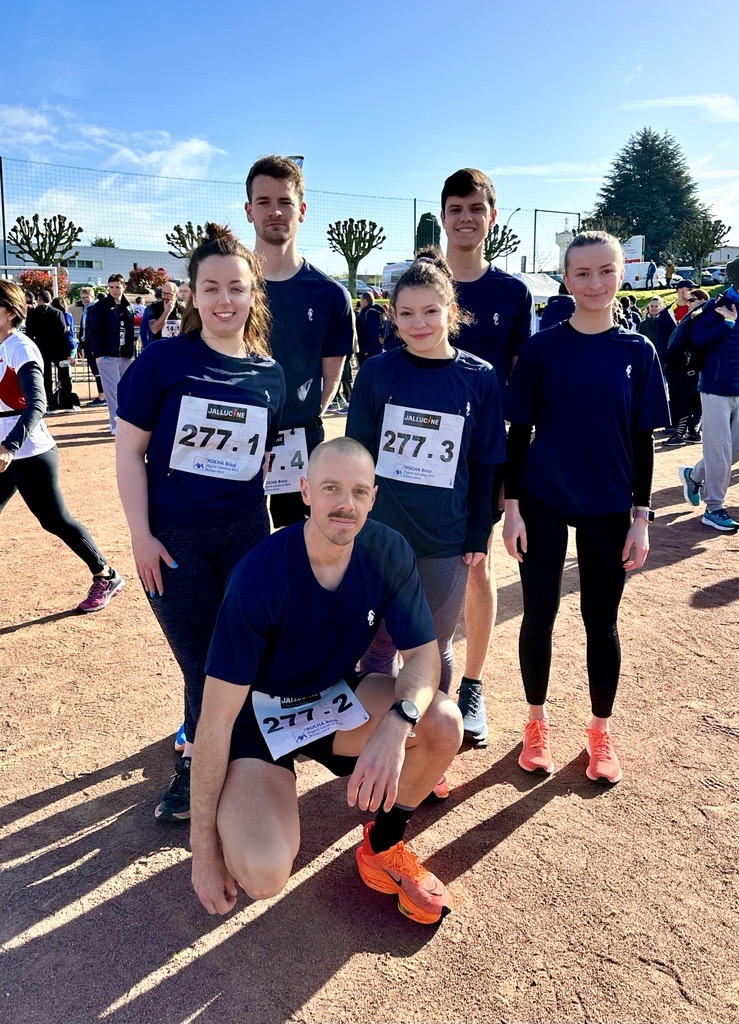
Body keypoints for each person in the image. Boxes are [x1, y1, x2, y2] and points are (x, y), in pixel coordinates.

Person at [190, 437, 463, 925]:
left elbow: (423, 657)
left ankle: (383, 845)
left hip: (334, 702)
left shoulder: (386, 550)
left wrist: (397, 725)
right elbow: (214, 720)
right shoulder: (259, 576)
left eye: (359, 492)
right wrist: (203, 850)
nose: (346, 504)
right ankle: (245, 801)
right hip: (259, 722)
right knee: (266, 874)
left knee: (441, 719)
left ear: (373, 497)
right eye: (331, 488)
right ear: (305, 491)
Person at [115, 223, 285, 822]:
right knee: (204, 661)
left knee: (237, 653)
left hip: (244, 533)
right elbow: (128, 452)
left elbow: (268, 457)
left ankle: (224, 756)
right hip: (174, 539)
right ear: (191, 294)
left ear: (251, 294)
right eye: (210, 287)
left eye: (236, 288)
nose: (223, 300)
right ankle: (195, 768)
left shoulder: (269, 375)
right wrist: (140, 535)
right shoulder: (162, 361)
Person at [502, 231, 669, 784]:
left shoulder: (637, 351)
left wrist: (641, 518)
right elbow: (518, 432)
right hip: (544, 500)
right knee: (540, 614)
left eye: (605, 271)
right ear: (565, 278)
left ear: (622, 274)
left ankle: (599, 733)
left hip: (608, 506)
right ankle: (535, 722)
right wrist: (514, 507)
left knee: (602, 620)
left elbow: (642, 440)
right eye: (582, 273)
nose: (594, 284)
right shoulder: (543, 349)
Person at [346, 248, 504, 796]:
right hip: (379, 540)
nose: (419, 324)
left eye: (430, 311)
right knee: (375, 649)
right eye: (406, 313)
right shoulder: (376, 373)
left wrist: (477, 534)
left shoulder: (478, 378)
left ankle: (432, 749)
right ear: (392, 316)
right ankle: (375, 741)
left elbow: (486, 462)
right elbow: (357, 455)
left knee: (433, 650)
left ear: (451, 309)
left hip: (444, 540)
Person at [439, 167, 535, 745]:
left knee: (477, 566)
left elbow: (521, 391)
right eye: (456, 207)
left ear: (491, 216)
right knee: (410, 563)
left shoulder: (512, 294)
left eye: (476, 207)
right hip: (416, 453)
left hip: (482, 456)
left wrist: (511, 471)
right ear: (443, 215)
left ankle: (471, 684)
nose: (466, 217)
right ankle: (417, 682)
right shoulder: (421, 281)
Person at [0, 279, 124, 612]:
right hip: (6, 450)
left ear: (10, 312)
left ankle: (105, 573)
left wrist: (9, 446)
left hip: (29, 452)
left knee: (54, 520)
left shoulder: (20, 348)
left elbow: (37, 404)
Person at [244, 154, 353, 527]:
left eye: (285, 202)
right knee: (239, 553)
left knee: (300, 547)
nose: (275, 211)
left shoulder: (330, 295)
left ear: (302, 210)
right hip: (234, 436)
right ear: (249, 210)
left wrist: (296, 421)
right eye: (264, 202)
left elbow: (329, 380)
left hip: (299, 442)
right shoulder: (228, 290)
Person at [678, 257, 739, 533]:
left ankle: (694, 475)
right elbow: (696, 341)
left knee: (738, 448)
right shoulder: (714, 307)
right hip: (714, 390)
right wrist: (724, 324)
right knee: (719, 450)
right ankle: (714, 508)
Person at [86, 274, 136, 435]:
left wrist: (131, 351)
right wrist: (99, 354)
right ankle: (115, 424)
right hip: (107, 355)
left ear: (124, 287)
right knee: (113, 391)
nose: (114, 290)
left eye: (117, 287)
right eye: (112, 287)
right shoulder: (101, 306)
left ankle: (127, 423)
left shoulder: (128, 306)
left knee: (127, 390)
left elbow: (130, 331)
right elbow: (93, 331)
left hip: (125, 355)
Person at [656, 279, 695, 445]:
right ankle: (675, 424)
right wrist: (664, 360)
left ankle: (692, 427)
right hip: (673, 363)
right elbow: (660, 340)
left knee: (692, 395)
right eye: (689, 289)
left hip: (693, 363)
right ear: (680, 291)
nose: (692, 292)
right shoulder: (666, 314)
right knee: (675, 393)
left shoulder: (696, 310)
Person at [24, 290, 70, 413]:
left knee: (45, 376)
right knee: (64, 375)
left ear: (39, 299)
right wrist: (67, 351)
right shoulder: (58, 313)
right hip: (58, 347)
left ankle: (50, 403)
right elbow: (63, 332)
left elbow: (29, 333)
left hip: (41, 348)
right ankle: (67, 402)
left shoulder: (32, 313)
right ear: (49, 300)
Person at [75, 287, 106, 406]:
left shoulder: (94, 309)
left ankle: (102, 395)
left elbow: (94, 329)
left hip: (93, 344)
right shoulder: (85, 309)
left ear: (92, 297)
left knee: (98, 371)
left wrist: (94, 346)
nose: (85, 300)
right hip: (87, 343)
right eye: (83, 298)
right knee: (95, 370)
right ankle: (102, 394)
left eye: (87, 297)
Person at [50, 296, 79, 411]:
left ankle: (63, 398)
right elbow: (67, 333)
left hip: (61, 346)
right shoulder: (66, 315)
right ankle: (66, 401)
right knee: (66, 375)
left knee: (63, 374)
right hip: (67, 346)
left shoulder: (59, 316)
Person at [356, 291, 385, 364]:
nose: (360, 303)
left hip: (368, 348)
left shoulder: (368, 312)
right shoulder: (379, 311)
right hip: (378, 347)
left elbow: (371, 330)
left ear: (365, 300)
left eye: (361, 300)